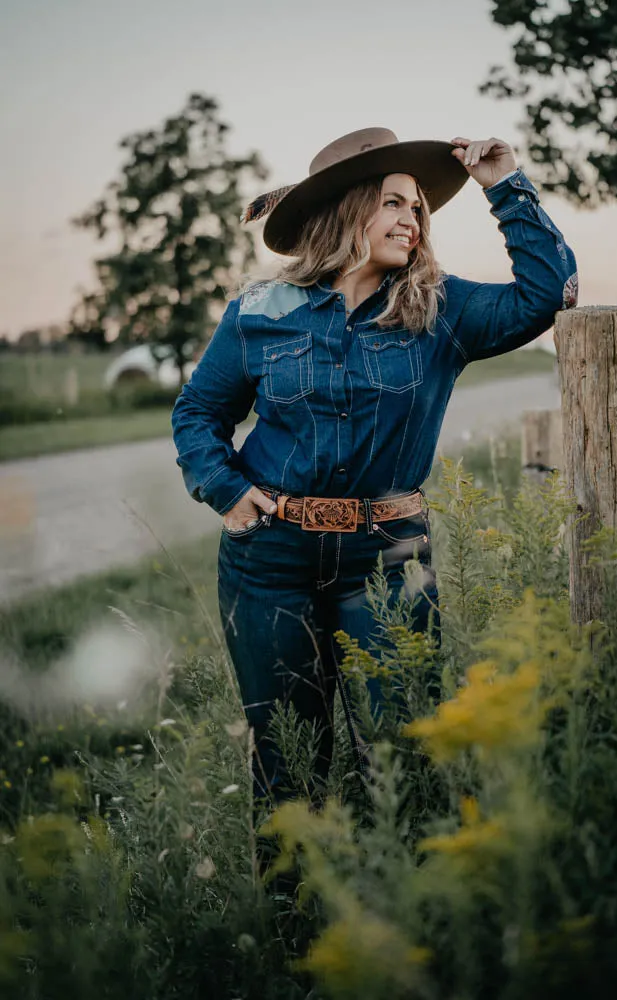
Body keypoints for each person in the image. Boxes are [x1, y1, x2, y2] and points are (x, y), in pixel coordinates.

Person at [171, 127, 577, 817]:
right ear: (345, 210)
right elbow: (198, 412)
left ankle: (415, 911)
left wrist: (504, 186)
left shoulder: (441, 309)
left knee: (410, 755)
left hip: (388, 560)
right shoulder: (259, 312)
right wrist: (227, 489)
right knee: (290, 765)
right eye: (393, 203)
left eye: (417, 209)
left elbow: (548, 291)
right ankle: (297, 922)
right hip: (268, 562)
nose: (411, 221)